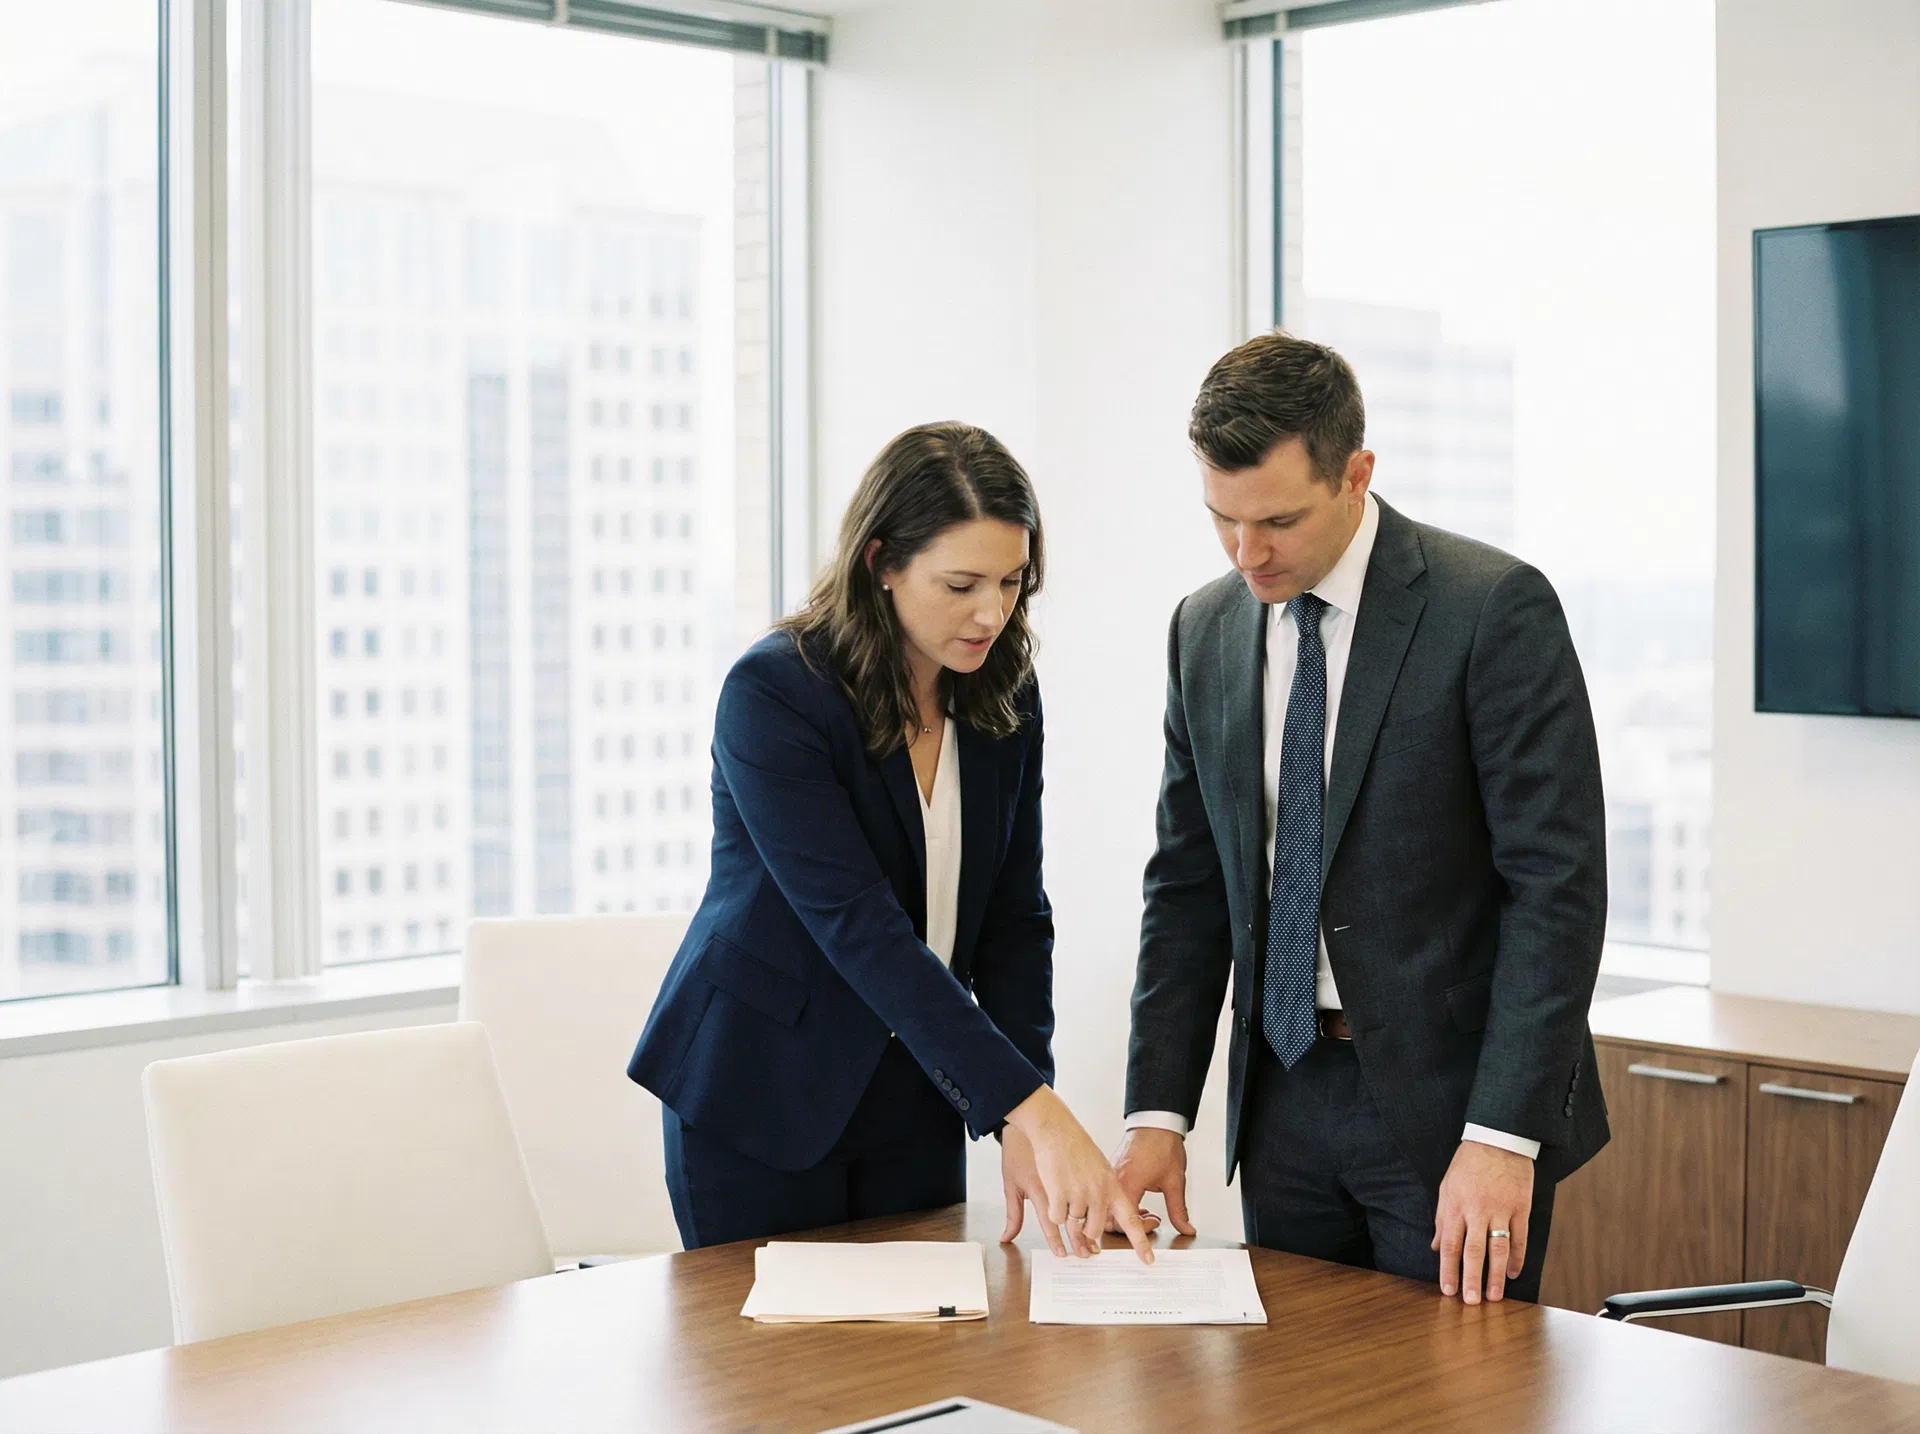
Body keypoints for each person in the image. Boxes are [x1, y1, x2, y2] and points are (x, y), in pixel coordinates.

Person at [1113, 333, 1610, 1304]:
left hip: (1452, 1112)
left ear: (1355, 475)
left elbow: (1557, 889)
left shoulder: (1490, 609)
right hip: (1282, 1098)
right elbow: (1187, 886)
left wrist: (1502, 1136)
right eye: (1222, 519)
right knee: (1292, 1379)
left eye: (1278, 521)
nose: (1247, 553)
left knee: (1458, 1383)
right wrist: (1157, 1117)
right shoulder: (1203, 629)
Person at [630, 421, 1152, 1262]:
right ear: (881, 562)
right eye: (961, 584)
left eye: (1012, 581)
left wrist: (1021, 1109)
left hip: (917, 1091)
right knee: (778, 1345)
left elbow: (1015, 919)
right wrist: (1033, 1110)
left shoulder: (1004, 694)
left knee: (923, 1337)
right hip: (761, 1089)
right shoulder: (776, 693)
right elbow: (858, 926)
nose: (992, 613)